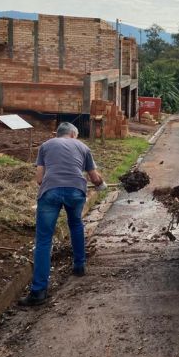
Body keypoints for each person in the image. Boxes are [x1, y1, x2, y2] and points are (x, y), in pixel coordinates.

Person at [18, 122, 106, 306]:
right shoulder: (83, 147)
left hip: (50, 192)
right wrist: (100, 185)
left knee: (44, 240)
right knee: (75, 225)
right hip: (76, 191)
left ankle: (38, 292)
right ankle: (79, 266)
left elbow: (40, 178)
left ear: (57, 134)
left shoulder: (46, 145)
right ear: (74, 134)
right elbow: (94, 177)